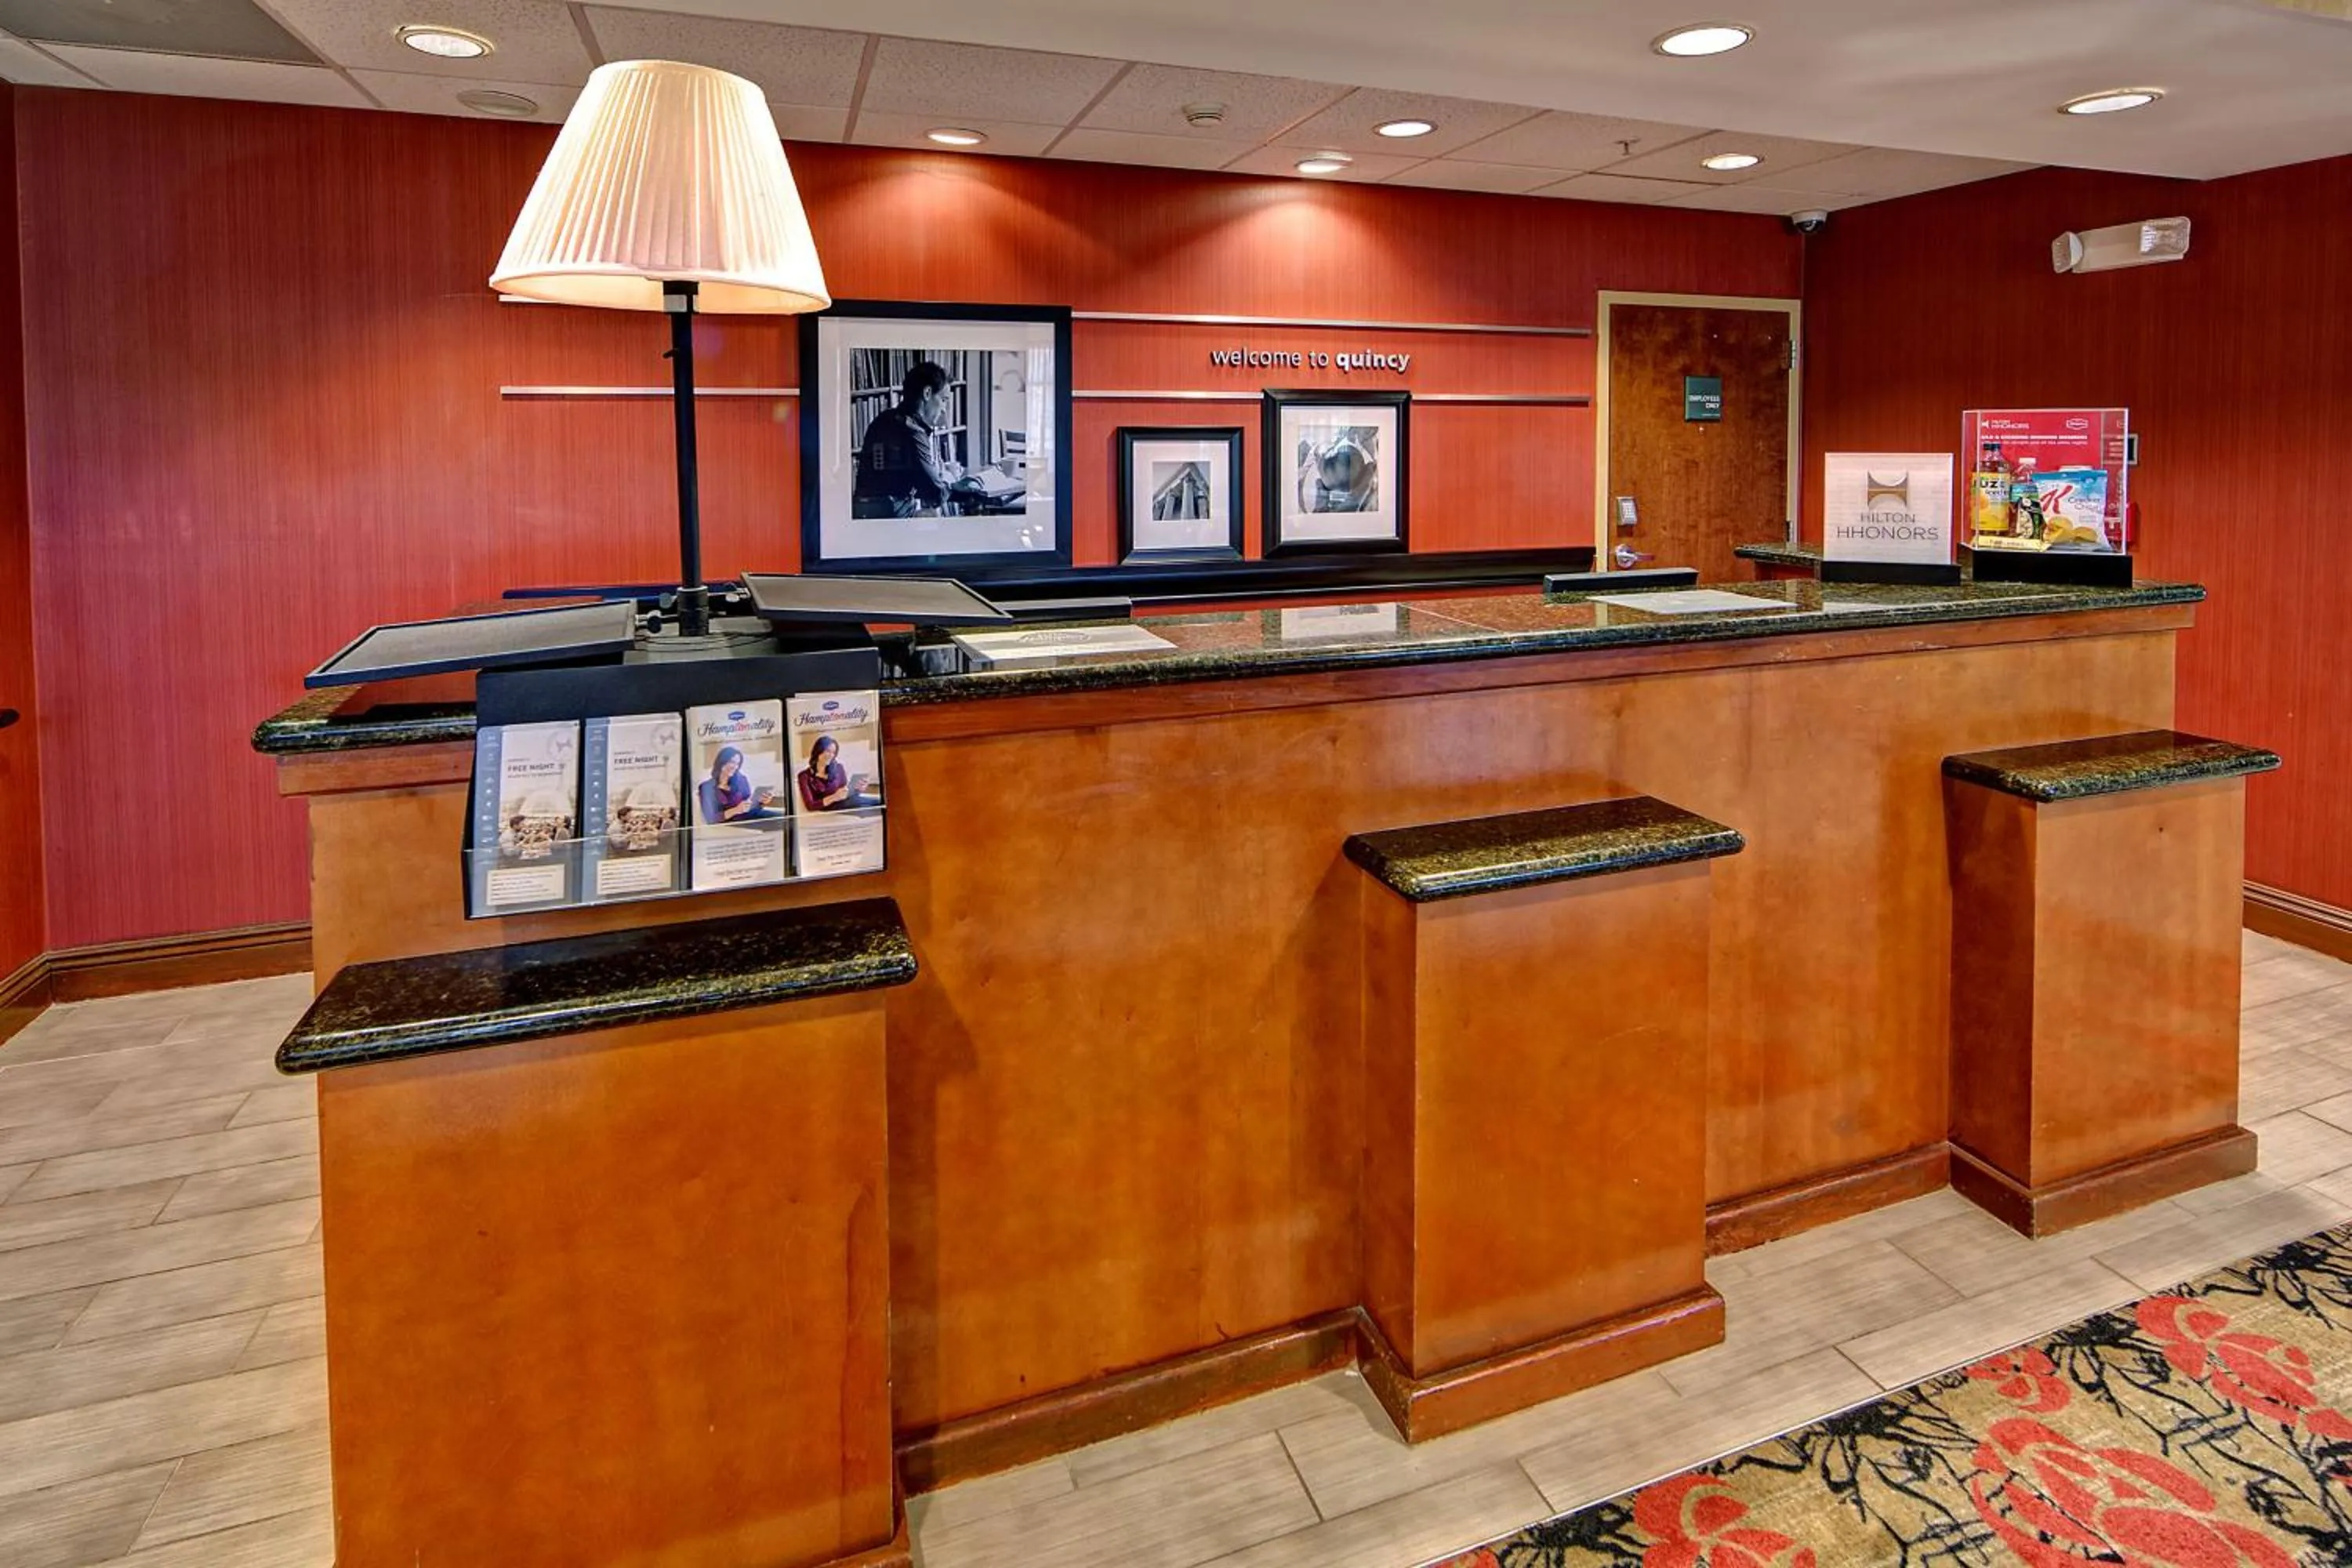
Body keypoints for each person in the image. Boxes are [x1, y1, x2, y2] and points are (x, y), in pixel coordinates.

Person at [853, 361, 980, 519]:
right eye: (944, 400)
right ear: (927, 393)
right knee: (937, 519)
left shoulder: (884, 418)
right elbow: (934, 492)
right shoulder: (912, 431)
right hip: (892, 520)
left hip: (866, 513)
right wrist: (966, 492)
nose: (944, 409)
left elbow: (909, 481)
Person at [797, 735, 880, 811]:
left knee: (875, 802)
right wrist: (834, 797)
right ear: (818, 751)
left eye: (834, 752)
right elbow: (810, 806)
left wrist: (858, 789)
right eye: (828, 751)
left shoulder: (838, 768)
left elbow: (846, 792)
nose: (831, 755)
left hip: (845, 803)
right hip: (830, 807)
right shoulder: (804, 776)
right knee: (872, 804)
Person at [697, 746, 777, 825]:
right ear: (721, 762)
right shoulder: (706, 788)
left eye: (738, 764)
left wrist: (761, 802)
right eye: (732, 762)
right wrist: (736, 810)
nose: (735, 767)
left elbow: (750, 806)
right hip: (733, 823)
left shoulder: (741, 780)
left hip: (751, 816)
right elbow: (710, 819)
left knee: (780, 817)